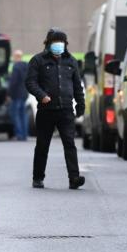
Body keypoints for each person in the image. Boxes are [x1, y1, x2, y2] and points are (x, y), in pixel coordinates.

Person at [25, 28, 85, 189]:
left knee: (70, 144)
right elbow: (30, 82)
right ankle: (38, 177)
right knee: (43, 145)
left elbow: (77, 85)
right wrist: (41, 95)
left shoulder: (71, 61)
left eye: (61, 43)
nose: (59, 45)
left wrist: (80, 105)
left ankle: (74, 178)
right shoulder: (38, 60)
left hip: (66, 110)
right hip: (46, 110)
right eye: (55, 42)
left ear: (65, 44)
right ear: (48, 44)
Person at [7, 49, 29, 140]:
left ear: (16, 57)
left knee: (16, 115)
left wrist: (9, 93)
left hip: (16, 94)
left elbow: (13, 82)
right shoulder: (27, 66)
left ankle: (19, 134)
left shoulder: (16, 67)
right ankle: (25, 135)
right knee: (23, 115)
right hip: (24, 94)